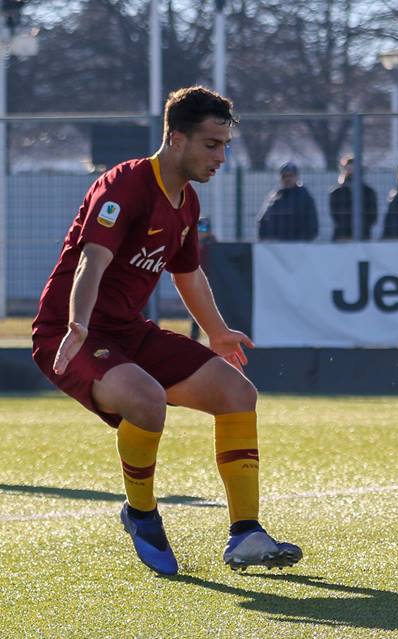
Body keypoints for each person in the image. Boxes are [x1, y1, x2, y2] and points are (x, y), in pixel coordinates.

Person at [31, 86, 302, 576]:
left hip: (129, 331)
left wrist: (217, 332)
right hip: (72, 332)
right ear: (176, 139)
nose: (222, 157)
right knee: (147, 399)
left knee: (236, 393)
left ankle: (245, 533)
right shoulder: (126, 185)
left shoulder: (187, 201)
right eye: (211, 144)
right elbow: (91, 260)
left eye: (225, 145)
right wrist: (75, 325)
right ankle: (140, 513)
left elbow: (187, 272)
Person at [256, 161, 319, 241]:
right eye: (284, 176)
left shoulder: (305, 197)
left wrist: (302, 240)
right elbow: (263, 221)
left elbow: (312, 225)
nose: (287, 179)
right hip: (276, 246)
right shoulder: (274, 198)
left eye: (290, 175)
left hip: (299, 245)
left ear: (296, 177)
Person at [329, 155, 377, 241]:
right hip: (342, 236)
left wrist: (363, 227)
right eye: (348, 168)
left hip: (363, 235)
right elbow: (335, 216)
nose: (351, 171)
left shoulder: (368, 192)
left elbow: (373, 216)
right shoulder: (336, 193)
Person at [189, 216, 217, 341]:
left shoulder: (213, 245)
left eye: (204, 228)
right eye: (198, 228)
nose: (201, 232)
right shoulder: (191, 244)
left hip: (212, 281)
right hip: (197, 282)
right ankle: (194, 336)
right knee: (196, 311)